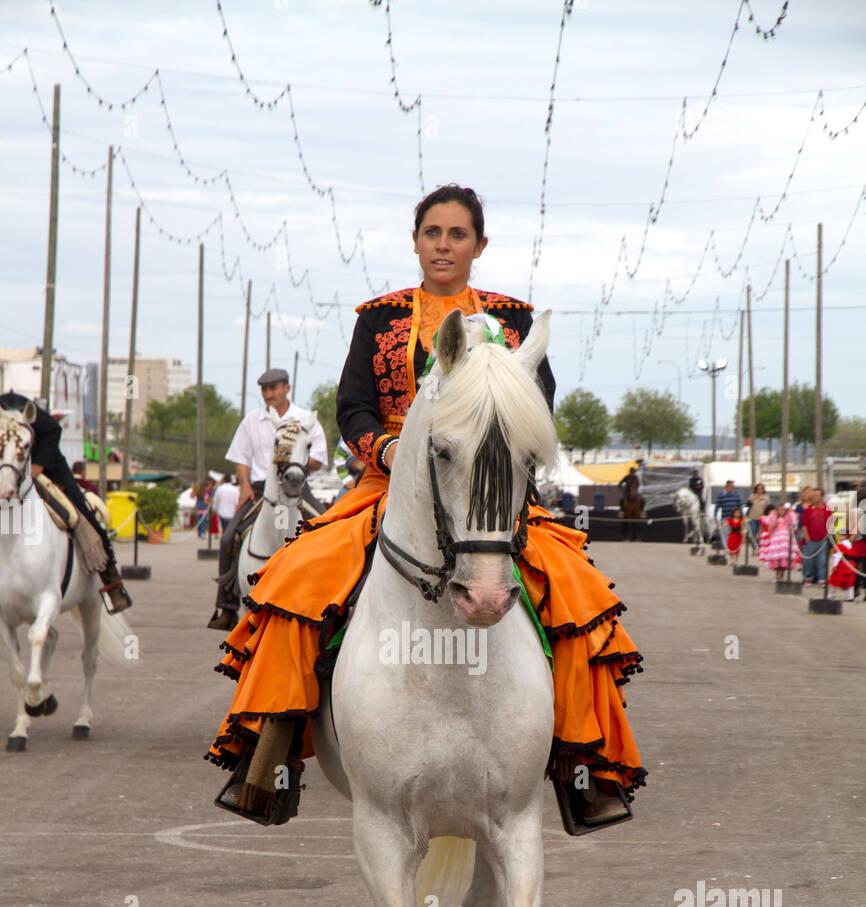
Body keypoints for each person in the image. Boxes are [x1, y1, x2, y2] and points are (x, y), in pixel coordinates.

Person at [206, 183, 646, 830]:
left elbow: (536, 406)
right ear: (415, 241)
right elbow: (352, 406)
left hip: (487, 491)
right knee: (294, 580)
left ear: (479, 245)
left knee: (577, 592)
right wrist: (386, 453)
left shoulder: (515, 320)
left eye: (458, 234)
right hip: (387, 488)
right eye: (432, 233)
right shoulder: (378, 318)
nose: (444, 245)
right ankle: (270, 761)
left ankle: (584, 768)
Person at [208, 368, 328, 629]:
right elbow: (241, 458)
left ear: (287, 388)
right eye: (264, 389)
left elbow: (319, 459)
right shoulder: (252, 420)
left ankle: (332, 599)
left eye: (274, 388)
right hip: (261, 488)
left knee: (328, 527)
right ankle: (227, 607)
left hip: (298, 485)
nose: (269, 394)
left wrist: (298, 461)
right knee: (229, 536)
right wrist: (244, 485)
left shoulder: (307, 419)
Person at [0, 390, 131, 612]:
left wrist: (38, 467)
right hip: (8, 470)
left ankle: (110, 579)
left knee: (82, 510)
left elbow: (53, 429)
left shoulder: (15, 403)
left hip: (46, 464)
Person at [798, 487, 834, 585]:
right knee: (809, 560)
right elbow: (804, 524)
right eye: (814, 495)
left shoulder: (827, 509)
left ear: (821, 497)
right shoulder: (809, 509)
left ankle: (822, 579)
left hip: (822, 540)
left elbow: (831, 523)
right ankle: (808, 577)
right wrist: (807, 537)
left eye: (817, 495)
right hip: (810, 539)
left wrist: (827, 535)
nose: (814, 497)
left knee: (822, 560)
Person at [713, 479, 743, 546]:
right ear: (727, 487)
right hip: (725, 516)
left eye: (733, 486)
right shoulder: (721, 495)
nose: (732, 488)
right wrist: (715, 514)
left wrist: (741, 515)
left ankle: (733, 546)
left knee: (734, 534)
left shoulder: (736, 495)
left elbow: (740, 505)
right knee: (725, 533)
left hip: (735, 518)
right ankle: (726, 548)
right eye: (731, 486)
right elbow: (717, 505)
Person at [620, 472, 643, 541]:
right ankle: (622, 511)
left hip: (635, 492)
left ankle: (641, 511)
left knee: (642, 500)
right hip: (627, 493)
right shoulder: (627, 477)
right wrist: (623, 490)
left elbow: (638, 485)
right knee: (622, 500)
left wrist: (635, 491)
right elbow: (620, 484)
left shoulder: (636, 478)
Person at [746, 482, 770, 547]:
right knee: (753, 531)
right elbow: (748, 505)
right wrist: (754, 498)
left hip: (762, 517)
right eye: (758, 489)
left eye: (761, 489)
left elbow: (768, 507)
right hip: (753, 516)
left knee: (760, 533)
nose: (760, 490)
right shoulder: (752, 496)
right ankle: (754, 547)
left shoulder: (766, 497)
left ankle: (760, 546)